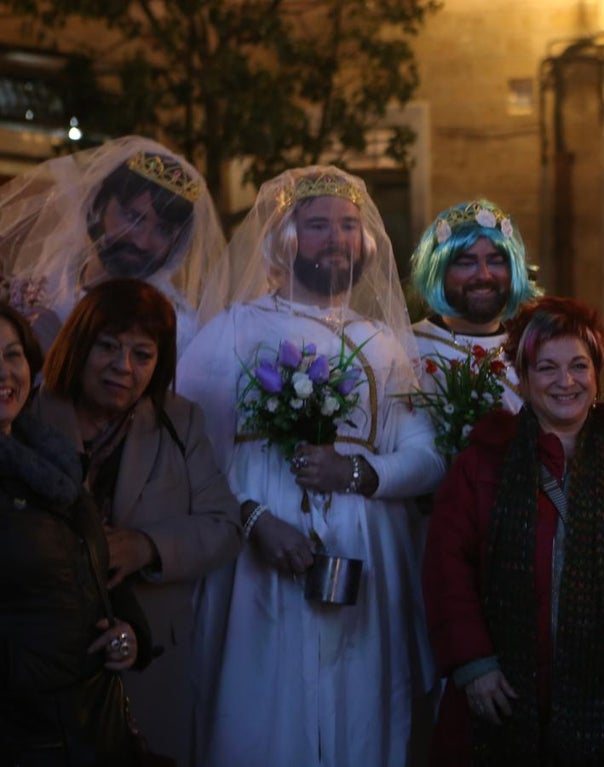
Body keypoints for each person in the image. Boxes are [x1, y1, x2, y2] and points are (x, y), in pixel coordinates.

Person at [178, 166, 445, 766]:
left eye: (349, 225)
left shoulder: (384, 344)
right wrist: (252, 521)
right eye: (317, 223)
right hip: (255, 564)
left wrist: (356, 475)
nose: (336, 238)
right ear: (283, 237)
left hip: (366, 566)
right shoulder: (233, 332)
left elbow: (427, 456)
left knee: (362, 717)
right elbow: (186, 459)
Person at [422, 296, 604, 766]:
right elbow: (446, 570)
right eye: (547, 368)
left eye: (579, 365)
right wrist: (472, 663)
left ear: (597, 373)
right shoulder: (484, 461)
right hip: (504, 697)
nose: (566, 382)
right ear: (521, 375)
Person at [28, 278, 242, 767]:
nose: (123, 368)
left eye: (142, 355)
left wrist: (146, 547)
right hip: (44, 662)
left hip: (152, 658)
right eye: (107, 347)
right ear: (79, 344)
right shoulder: (32, 415)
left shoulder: (178, 420)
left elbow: (224, 525)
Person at [0, 301, 153, 766]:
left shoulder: (51, 459)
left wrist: (131, 635)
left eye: (12, 355)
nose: (4, 372)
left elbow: (86, 559)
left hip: (90, 726)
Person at [0, 135, 225, 352]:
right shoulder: (42, 288)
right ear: (98, 207)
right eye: (133, 218)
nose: (142, 241)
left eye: (163, 230)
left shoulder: (177, 326)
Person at [409, 198, 539, 412]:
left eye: (496, 261)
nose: (484, 275)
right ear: (439, 273)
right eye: (466, 263)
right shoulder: (407, 347)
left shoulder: (531, 349)